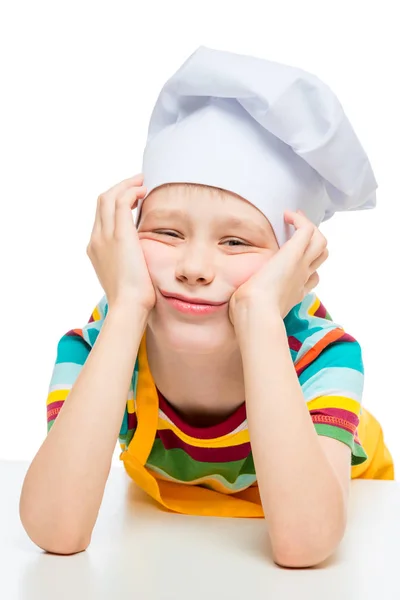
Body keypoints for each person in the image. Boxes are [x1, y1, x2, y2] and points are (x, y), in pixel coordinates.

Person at [20, 46, 394, 567]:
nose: (194, 266)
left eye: (236, 242)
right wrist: (127, 303)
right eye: (167, 232)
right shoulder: (99, 347)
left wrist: (261, 317)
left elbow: (305, 546)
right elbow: (55, 532)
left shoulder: (322, 356)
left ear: (293, 263)